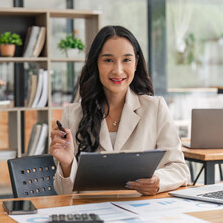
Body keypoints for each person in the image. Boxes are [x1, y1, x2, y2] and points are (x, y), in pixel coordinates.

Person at [50, 25, 190, 195]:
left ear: (136, 63)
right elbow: (63, 193)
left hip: (141, 213)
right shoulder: (73, 114)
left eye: (126, 60)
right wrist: (67, 164)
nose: (118, 70)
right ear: (96, 63)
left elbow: (180, 169)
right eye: (108, 60)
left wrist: (158, 181)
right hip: (93, 213)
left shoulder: (155, 108)